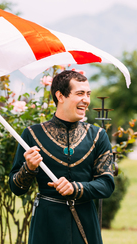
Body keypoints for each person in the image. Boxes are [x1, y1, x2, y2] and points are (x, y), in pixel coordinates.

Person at [9, 70, 115, 244]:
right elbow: (16, 188)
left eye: (88, 94)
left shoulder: (98, 136)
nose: (86, 100)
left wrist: (76, 188)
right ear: (60, 96)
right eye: (80, 93)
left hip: (85, 222)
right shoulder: (32, 135)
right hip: (47, 224)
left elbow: (106, 185)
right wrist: (28, 169)